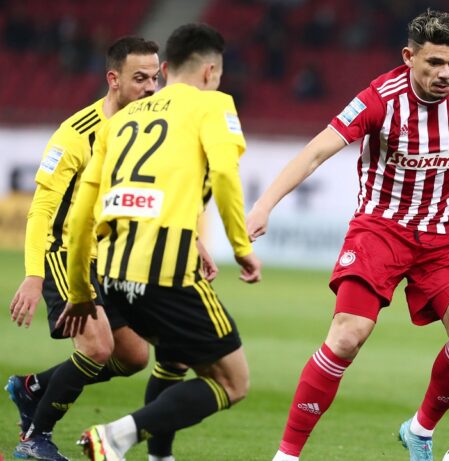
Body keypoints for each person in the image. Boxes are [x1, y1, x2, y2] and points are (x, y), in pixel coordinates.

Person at [246, 9, 449, 461]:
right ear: (409, 57)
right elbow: (315, 153)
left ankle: (419, 430)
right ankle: (286, 456)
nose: (445, 73)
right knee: (347, 336)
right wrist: (264, 204)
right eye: (434, 63)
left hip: (448, 235)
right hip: (382, 229)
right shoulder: (379, 99)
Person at [56, 23, 261, 461]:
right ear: (210, 72)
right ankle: (116, 436)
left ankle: (159, 457)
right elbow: (225, 174)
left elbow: (82, 214)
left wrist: (80, 292)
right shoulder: (214, 104)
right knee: (232, 382)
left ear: (164, 70)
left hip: (112, 278)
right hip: (165, 275)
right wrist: (241, 246)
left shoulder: (119, 120)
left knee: (173, 360)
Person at [5, 36, 161, 461]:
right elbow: (41, 209)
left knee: (133, 357)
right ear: (113, 79)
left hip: (107, 259)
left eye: (155, 78)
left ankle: (32, 387)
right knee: (96, 348)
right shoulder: (75, 134)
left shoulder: (146, 131)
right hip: (64, 252)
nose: (150, 88)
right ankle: (34, 438)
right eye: (140, 78)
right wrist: (34, 274)